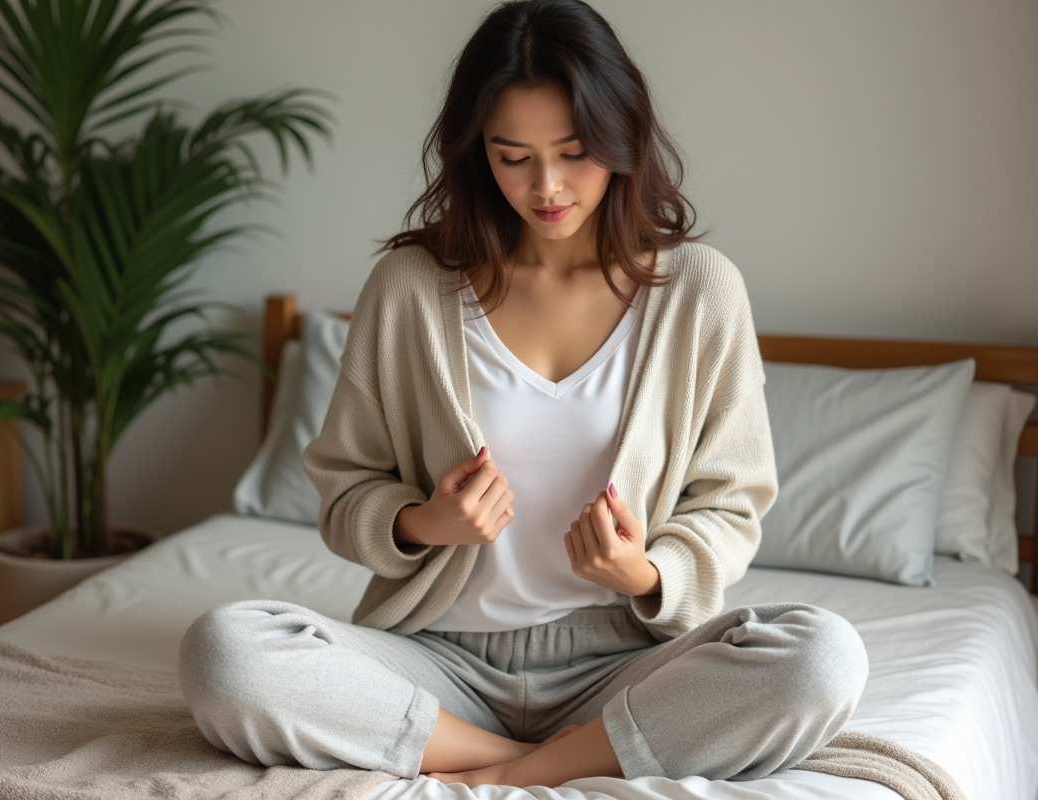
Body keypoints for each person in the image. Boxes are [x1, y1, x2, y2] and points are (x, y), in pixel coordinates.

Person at [179, 0, 868, 789]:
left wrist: (644, 574)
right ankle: (526, 764)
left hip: (626, 664)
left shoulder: (700, 292)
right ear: (478, 154)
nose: (546, 187)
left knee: (823, 658)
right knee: (224, 651)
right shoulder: (407, 290)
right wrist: (421, 522)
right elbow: (344, 493)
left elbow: (732, 500)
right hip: (435, 657)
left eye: (574, 153)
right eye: (513, 157)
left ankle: (512, 758)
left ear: (622, 137)